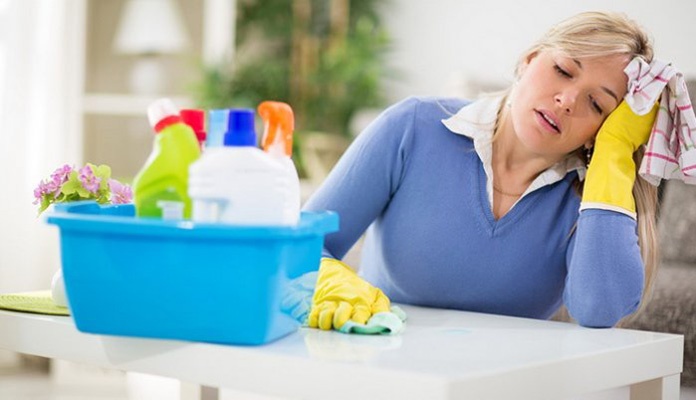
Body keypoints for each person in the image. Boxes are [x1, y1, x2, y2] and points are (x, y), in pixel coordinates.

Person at [302, 11, 660, 330]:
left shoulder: (591, 201)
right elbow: (302, 245)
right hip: (385, 362)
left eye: (596, 104)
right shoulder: (411, 128)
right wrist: (331, 281)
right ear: (529, 59)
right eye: (563, 70)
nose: (567, 101)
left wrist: (613, 155)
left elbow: (598, 310)